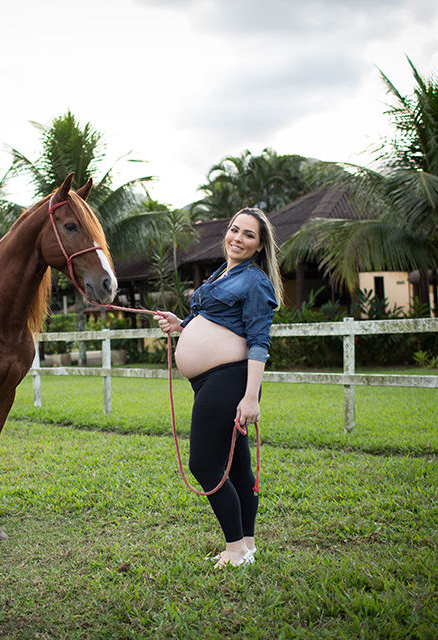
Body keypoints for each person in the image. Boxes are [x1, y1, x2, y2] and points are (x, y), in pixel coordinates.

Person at [154, 208, 283, 568]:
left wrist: (251, 397)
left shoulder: (255, 281)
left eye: (248, 235)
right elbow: (214, 322)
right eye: (234, 230)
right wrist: (182, 325)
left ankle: (235, 549)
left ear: (260, 246)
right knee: (238, 466)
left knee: (203, 464)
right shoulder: (220, 274)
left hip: (230, 380)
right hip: (214, 380)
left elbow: (258, 341)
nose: (237, 238)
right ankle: (248, 545)